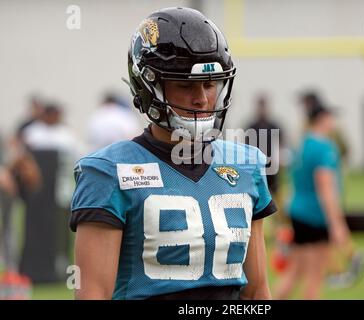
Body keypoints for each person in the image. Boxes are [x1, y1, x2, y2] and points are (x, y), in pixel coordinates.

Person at [70, 7, 276, 300]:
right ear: (148, 85)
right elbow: (93, 294)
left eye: (210, 84)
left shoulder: (245, 164)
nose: (202, 98)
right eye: (185, 85)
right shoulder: (107, 172)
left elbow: (256, 292)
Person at [274, 104, 358, 300]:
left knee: (294, 272)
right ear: (322, 119)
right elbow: (326, 189)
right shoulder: (324, 148)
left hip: (297, 212)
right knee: (315, 278)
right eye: (331, 118)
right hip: (315, 216)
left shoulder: (303, 143)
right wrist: (337, 224)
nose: (334, 122)